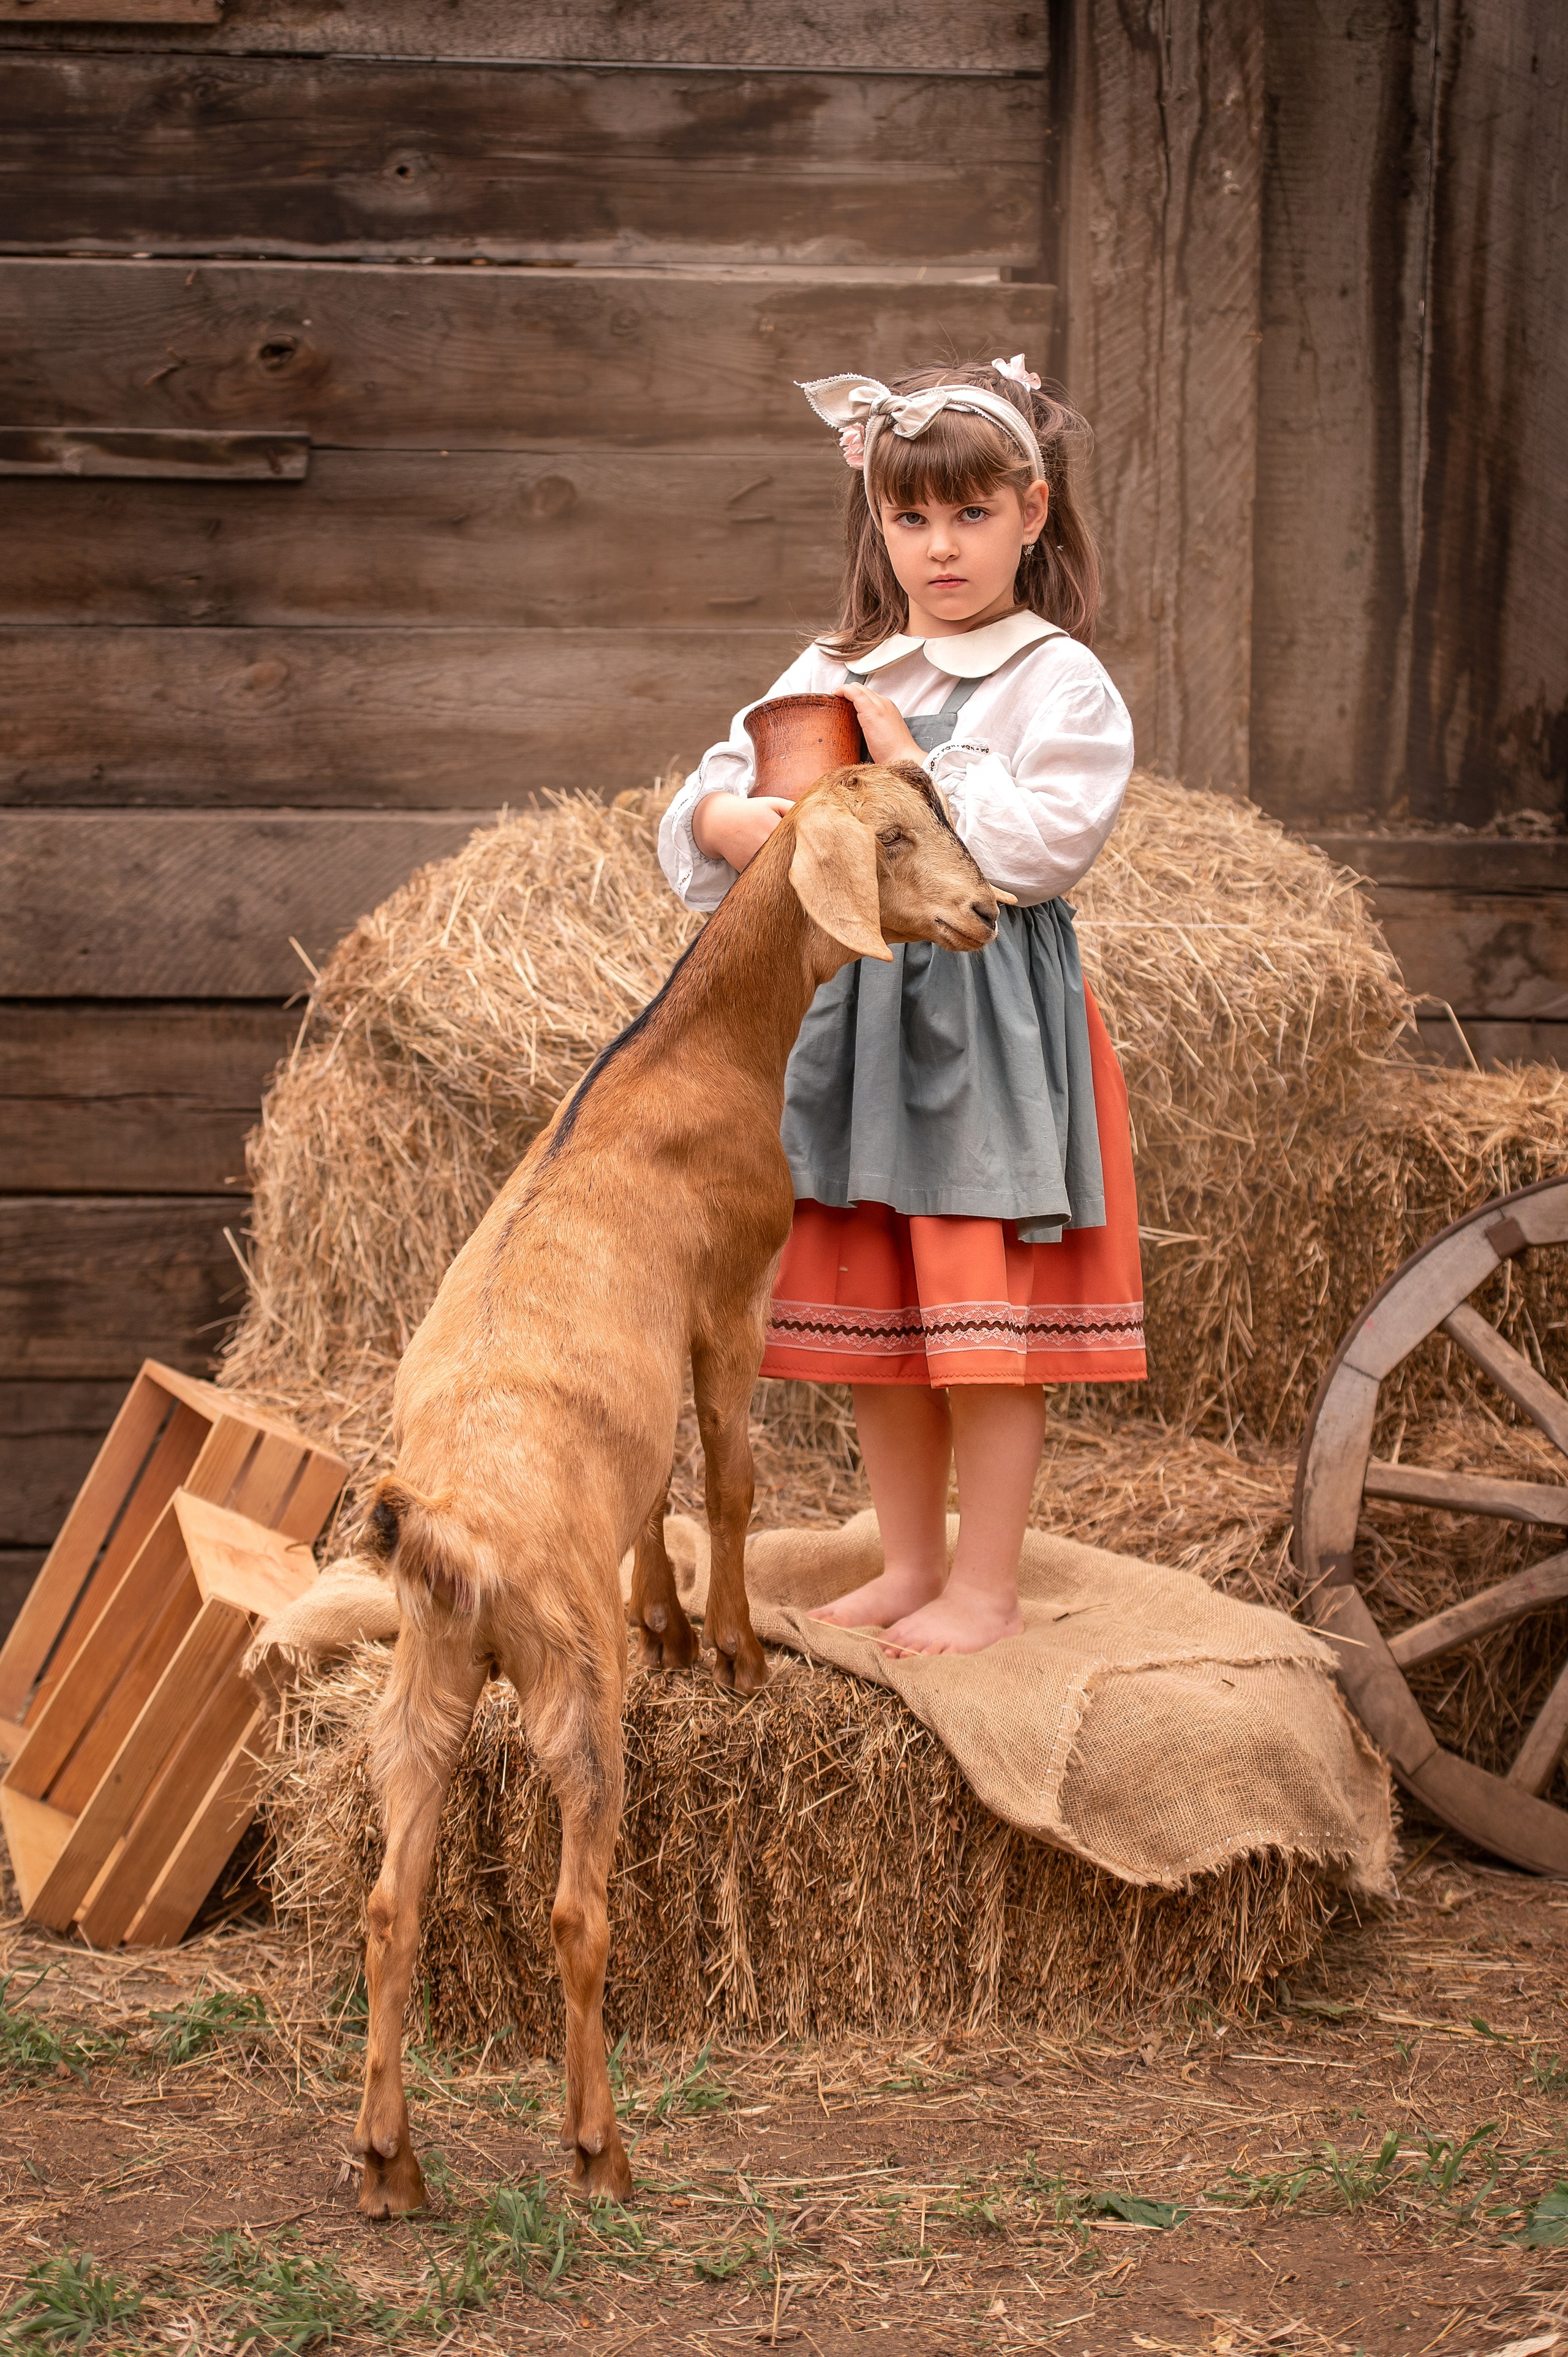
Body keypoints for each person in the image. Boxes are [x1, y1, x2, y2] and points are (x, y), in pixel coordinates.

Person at [658, 356, 1144, 1656]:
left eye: (970, 516)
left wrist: (915, 767)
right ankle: (907, 1558)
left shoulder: (1055, 681)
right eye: (909, 518)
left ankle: (984, 1584)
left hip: (986, 1032)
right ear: (876, 519)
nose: (939, 549)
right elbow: (725, 778)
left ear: (1030, 513)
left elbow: (1040, 849)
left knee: (977, 1322)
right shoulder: (837, 660)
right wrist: (731, 815)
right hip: (861, 1025)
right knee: (884, 1314)